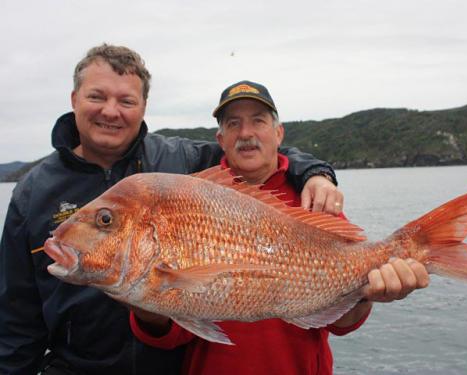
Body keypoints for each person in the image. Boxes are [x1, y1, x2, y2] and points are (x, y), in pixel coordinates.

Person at [0, 47, 342, 375]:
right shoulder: (33, 192)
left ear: (144, 106)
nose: (110, 111)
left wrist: (315, 172)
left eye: (126, 100)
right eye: (97, 96)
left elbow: (253, 148)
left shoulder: (178, 160)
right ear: (74, 99)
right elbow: (16, 319)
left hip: (169, 366)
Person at [129, 81, 431, 375]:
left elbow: (340, 323)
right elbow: (173, 334)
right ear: (220, 140)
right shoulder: (190, 201)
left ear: (278, 133)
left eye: (258, 121)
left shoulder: (313, 200)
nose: (246, 133)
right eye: (233, 124)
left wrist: (367, 293)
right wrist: (146, 296)